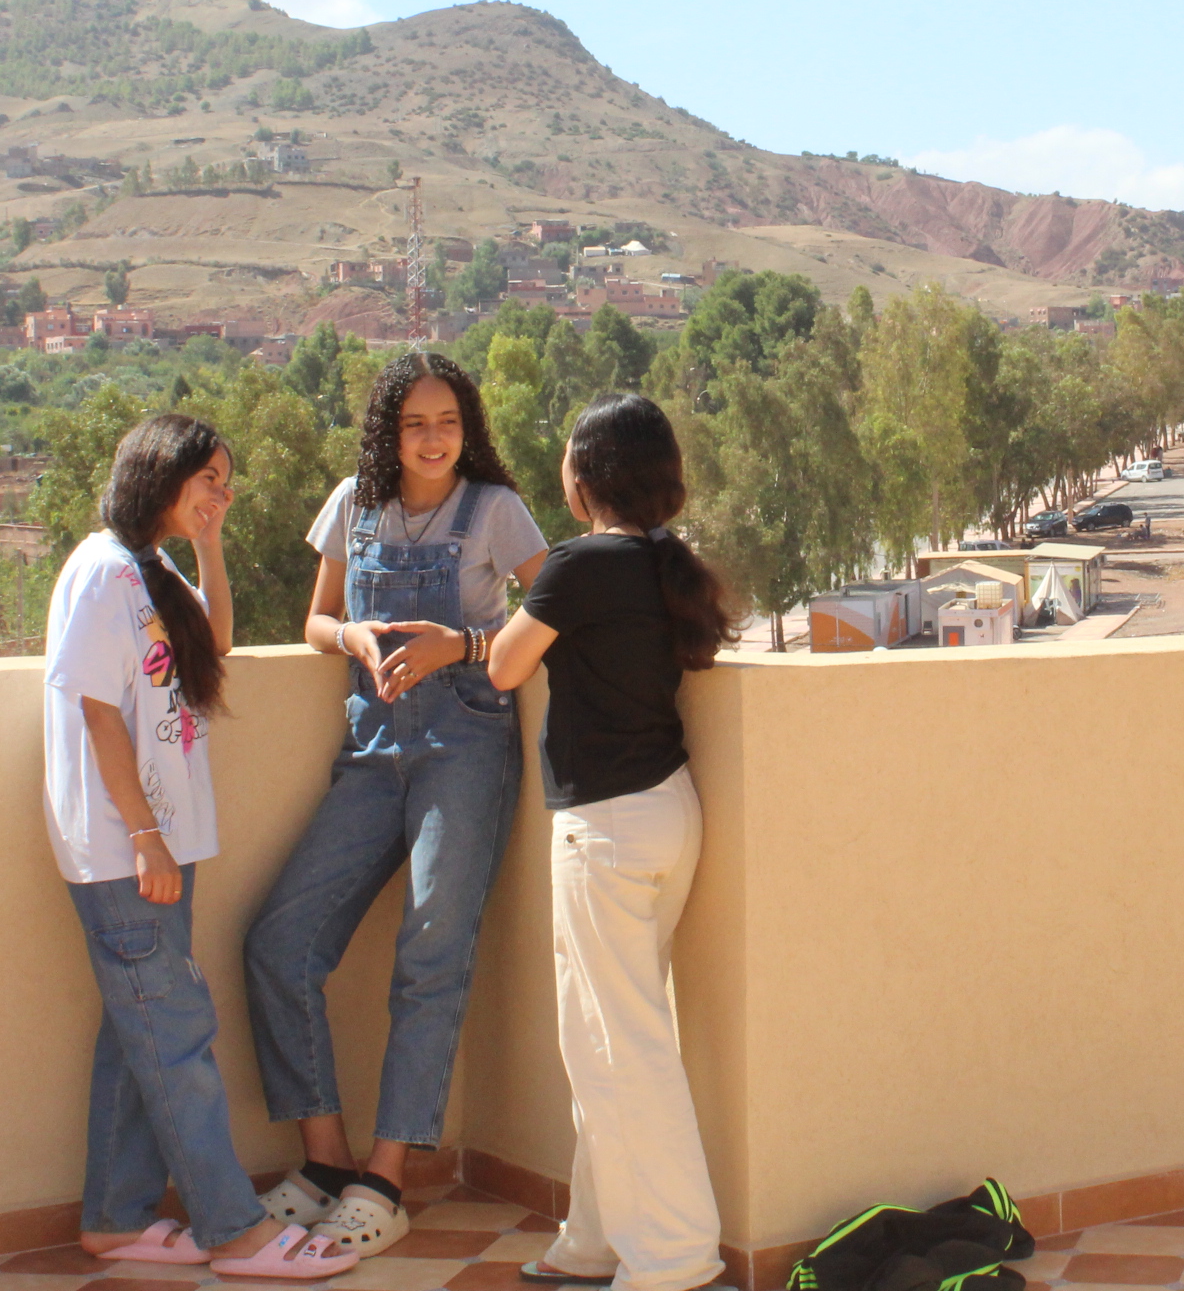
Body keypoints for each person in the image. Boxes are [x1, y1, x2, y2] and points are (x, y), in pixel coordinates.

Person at [244, 354, 550, 1256]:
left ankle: (386, 1179)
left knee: (429, 953)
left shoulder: (495, 509)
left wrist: (464, 643)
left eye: (448, 420)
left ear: (469, 427)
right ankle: (327, 1160)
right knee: (277, 943)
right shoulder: (352, 504)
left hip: (465, 749)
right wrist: (351, 634)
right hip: (370, 755)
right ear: (388, 430)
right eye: (415, 422)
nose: (433, 437)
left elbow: (552, 609)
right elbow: (315, 620)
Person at [43, 413, 356, 1281]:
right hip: (122, 849)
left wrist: (211, 546)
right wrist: (143, 837)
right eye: (208, 479)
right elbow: (96, 710)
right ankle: (235, 1231)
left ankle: (115, 1219)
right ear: (159, 473)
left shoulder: (150, 567)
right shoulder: (104, 574)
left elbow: (212, 643)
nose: (222, 492)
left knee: (138, 1032)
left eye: (226, 480)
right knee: (176, 1038)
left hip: (158, 844)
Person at [485, 393, 738, 1291]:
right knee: (609, 1037)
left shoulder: (579, 565)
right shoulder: (662, 563)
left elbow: (504, 663)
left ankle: (673, 1262)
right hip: (668, 811)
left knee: (619, 1046)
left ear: (582, 478)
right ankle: (590, 1243)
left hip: (607, 829)